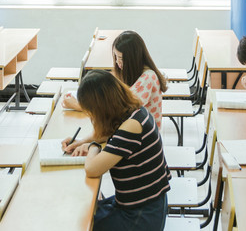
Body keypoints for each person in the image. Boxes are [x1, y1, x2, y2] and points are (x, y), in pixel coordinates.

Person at [63, 70, 170, 231]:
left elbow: (92, 169)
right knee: (86, 210)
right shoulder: (136, 112)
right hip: (145, 204)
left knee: (79, 221)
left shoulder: (132, 127)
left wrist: (93, 147)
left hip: (142, 216)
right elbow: (106, 133)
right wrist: (81, 141)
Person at [63, 30, 167, 135]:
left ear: (133, 58)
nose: (117, 62)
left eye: (121, 58)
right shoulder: (133, 72)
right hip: (134, 130)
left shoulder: (148, 77)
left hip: (144, 135)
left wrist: (79, 106)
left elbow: (121, 110)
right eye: (116, 57)